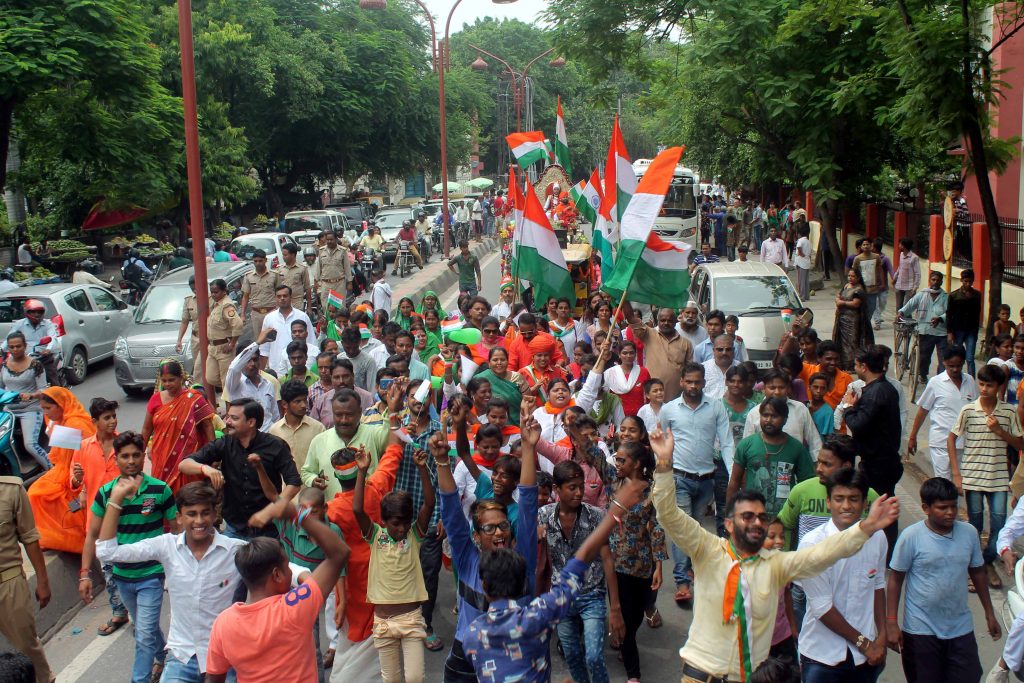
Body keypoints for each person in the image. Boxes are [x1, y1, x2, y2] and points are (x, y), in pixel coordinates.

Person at [649, 424, 900, 682]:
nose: (757, 523)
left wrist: (865, 529)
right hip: (700, 676)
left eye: (761, 517)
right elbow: (669, 515)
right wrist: (665, 465)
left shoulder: (776, 565)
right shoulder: (707, 549)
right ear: (729, 524)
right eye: (747, 517)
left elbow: (822, 554)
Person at [463, 473, 649, 683]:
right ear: (522, 583)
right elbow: (579, 562)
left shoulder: (471, 634)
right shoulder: (537, 617)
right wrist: (616, 510)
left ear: (485, 586)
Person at [435, 410, 539, 682]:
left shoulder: (522, 562)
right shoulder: (468, 560)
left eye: (503, 525)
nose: (498, 533)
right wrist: (441, 462)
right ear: (477, 536)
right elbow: (451, 514)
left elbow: (527, 500)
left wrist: (528, 447)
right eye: (489, 528)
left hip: (514, 656)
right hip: (465, 659)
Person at [205, 493, 352, 683]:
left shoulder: (223, 623)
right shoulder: (294, 607)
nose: (292, 572)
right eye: (287, 566)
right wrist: (298, 515)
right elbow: (340, 553)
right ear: (276, 574)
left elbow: (213, 678)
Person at [886, 477, 1001, 683]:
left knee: (970, 676)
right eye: (942, 507)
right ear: (926, 508)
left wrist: (989, 614)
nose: (950, 512)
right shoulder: (911, 537)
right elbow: (895, 579)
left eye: (953, 506)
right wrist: (892, 623)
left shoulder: (969, 533)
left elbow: (978, 572)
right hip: (920, 629)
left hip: (960, 627)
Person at [89, 432, 176, 683]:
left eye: (136, 455)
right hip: (122, 576)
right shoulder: (106, 494)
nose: (131, 461)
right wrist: (85, 573)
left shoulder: (160, 490)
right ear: (115, 459)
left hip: (152, 574)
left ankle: (140, 679)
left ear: (143, 457)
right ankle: (164, 656)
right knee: (145, 628)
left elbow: (177, 530)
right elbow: (93, 535)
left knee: (144, 632)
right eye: (124, 456)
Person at [353, 438, 433, 683]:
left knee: (415, 678)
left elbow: (429, 503)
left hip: (411, 620)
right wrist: (362, 472)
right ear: (384, 521)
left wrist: (422, 468)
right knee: (391, 679)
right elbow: (357, 510)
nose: (401, 529)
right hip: (384, 622)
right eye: (395, 524)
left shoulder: (414, 535)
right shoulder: (375, 536)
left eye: (405, 522)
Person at [796, 468, 888, 681]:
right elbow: (822, 607)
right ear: (828, 502)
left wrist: (881, 635)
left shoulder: (878, 538)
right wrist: (865, 644)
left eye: (853, 499)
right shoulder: (812, 544)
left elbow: (878, 585)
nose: (846, 506)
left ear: (865, 503)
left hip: (865, 658)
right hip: (823, 657)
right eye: (839, 499)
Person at [538, 459, 622, 683]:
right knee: (572, 655)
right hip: (561, 598)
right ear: (557, 489)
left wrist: (615, 607)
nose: (578, 493)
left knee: (594, 656)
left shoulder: (595, 515)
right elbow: (539, 563)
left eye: (581, 486)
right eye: (572, 487)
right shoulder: (543, 516)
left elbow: (607, 561)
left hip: (592, 595)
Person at [659, 362, 734, 605]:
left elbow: (727, 442)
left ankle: (689, 566)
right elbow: (661, 444)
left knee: (696, 527)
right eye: (688, 381)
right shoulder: (669, 410)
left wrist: (733, 473)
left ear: (703, 382)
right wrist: (662, 476)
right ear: (681, 382)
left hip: (706, 480)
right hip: (679, 477)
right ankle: (682, 581)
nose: (693, 386)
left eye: (697, 381)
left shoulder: (716, 407)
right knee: (683, 528)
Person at [179, 399, 301, 543]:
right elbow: (184, 464)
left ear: (251, 422)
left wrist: (270, 511)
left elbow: (294, 483)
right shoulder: (224, 443)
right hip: (233, 528)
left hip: (268, 529)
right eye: (228, 416)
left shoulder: (276, 446)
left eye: (234, 418)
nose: (227, 421)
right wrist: (205, 468)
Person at [949, 363, 1023, 589]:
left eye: (989, 385)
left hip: (999, 477)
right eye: (981, 384)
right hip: (972, 475)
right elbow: (951, 438)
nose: (984, 389)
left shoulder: (1009, 412)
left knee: (1000, 523)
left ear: (999, 387)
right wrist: (956, 473)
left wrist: (1000, 431)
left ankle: (985, 560)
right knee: (976, 523)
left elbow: (1020, 443)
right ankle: (977, 567)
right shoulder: (969, 410)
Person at [607, 440, 666, 682]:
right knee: (621, 611)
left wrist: (659, 564)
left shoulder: (652, 491)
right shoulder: (614, 482)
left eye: (622, 460)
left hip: (643, 564)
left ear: (637, 464)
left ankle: (623, 639)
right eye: (616, 459)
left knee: (636, 615)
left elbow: (656, 527)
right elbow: (590, 453)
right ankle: (634, 673)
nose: (617, 463)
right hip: (615, 563)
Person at [840, 345, 903, 551]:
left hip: (878, 461)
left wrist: (849, 408)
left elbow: (858, 424)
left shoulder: (876, 392)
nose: (855, 369)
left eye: (857, 365)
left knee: (879, 506)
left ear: (864, 367)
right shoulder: (884, 389)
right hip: (884, 458)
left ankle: (884, 551)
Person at [0, 464, 54, 683]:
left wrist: (43, 581)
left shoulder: (10, 490)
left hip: (8, 582)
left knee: (27, 646)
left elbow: (30, 538)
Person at [26, 387, 97, 553]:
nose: (46, 413)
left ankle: (65, 538)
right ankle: (51, 537)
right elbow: (59, 457)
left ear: (61, 405)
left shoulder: (75, 424)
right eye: (43, 408)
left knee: (37, 495)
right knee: (35, 492)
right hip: (64, 470)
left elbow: (87, 455)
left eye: (48, 408)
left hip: (79, 474)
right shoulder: (61, 421)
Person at [728, 397, 815, 517]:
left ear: (785, 419)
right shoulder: (746, 445)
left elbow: (807, 484)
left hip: (785, 518)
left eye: (774, 416)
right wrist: (730, 515)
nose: (768, 420)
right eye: (765, 415)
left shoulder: (796, 448)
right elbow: (734, 481)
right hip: (751, 516)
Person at [302, 387, 394, 498]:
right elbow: (306, 472)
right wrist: (313, 480)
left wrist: (393, 409)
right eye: (338, 415)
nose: (344, 420)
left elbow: (393, 440)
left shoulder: (374, 434)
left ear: (360, 412)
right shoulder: (319, 441)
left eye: (349, 415)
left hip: (367, 511)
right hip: (333, 512)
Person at [141, 359, 215, 493]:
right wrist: (140, 452)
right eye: (164, 381)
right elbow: (147, 429)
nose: (167, 384)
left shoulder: (194, 398)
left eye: (171, 380)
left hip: (187, 457)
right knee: (161, 493)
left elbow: (207, 427)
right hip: (161, 457)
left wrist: (214, 454)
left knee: (189, 495)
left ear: (181, 378)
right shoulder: (155, 399)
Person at [909, 345, 978, 480]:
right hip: (941, 442)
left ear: (963, 363)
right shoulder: (935, 383)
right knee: (944, 482)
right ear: (944, 363)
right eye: (951, 366)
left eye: (958, 365)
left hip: (964, 443)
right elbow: (923, 410)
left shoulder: (970, 380)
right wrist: (913, 436)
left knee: (961, 483)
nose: (955, 369)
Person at [0, 332, 49, 470]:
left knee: (30, 445)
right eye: (11, 347)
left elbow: (43, 390)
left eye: (18, 346)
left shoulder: (36, 365)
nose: (15, 349)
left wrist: (32, 396)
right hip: (8, 410)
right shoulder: (4, 365)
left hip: (30, 409)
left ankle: (52, 469)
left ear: (25, 346)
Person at [629, 308, 693, 402]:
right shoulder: (649, 335)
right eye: (663, 320)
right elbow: (631, 318)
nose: (666, 323)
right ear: (657, 321)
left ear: (675, 321)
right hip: (651, 399)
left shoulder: (686, 343)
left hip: (676, 400)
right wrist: (626, 300)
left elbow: (689, 372)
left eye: (670, 320)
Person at [899, 270, 950, 382]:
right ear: (929, 280)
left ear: (941, 282)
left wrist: (940, 318)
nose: (935, 282)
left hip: (941, 332)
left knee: (943, 358)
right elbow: (910, 305)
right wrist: (901, 312)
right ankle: (923, 375)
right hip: (924, 330)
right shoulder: (922, 294)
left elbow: (950, 312)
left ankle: (940, 379)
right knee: (924, 357)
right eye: (933, 279)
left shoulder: (945, 296)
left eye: (938, 280)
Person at [3, 299, 61, 386]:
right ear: (26, 312)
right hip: (24, 357)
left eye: (39, 312)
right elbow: (9, 338)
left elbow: (52, 338)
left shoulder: (48, 324)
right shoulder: (19, 324)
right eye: (33, 312)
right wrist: (2, 349)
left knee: (54, 383)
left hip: (43, 358)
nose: (37, 314)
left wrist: (48, 350)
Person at [270, 380, 325, 471]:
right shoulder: (274, 431)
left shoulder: (318, 428)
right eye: (298, 401)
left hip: (312, 484)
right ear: (284, 404)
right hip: (285, 485)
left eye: (305, 400)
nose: (304, 405)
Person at [259, 285, 315, 372]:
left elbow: (311, 342)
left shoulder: (302, 316)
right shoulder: (269, 318)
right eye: (279, 296)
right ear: (275, 298)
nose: (282, 298)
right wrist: (261, 373)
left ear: (290, 297)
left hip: (301, 367)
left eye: (285, 296)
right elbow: (264, 349)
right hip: (276, 368)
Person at [225, 342, 280, 431]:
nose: (252, 364)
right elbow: (233, 369)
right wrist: (257, 342)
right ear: (240, 362)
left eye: (255, 359)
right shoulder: (234, 384)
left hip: (268, 437)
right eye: (248, 360)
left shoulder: (268, 384)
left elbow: (275, 416)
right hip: (246, 438)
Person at [204, 278, 244, 393]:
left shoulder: (227, 306)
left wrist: (232, 344)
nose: (213, 295)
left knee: (226, 382)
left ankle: (230, 406)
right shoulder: (215, 304)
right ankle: (238, 386)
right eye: (212, 292)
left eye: (216, 292)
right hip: (212, 348)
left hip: (224, 347)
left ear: (224, 291)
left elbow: (237, 325)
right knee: (210, 378)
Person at [833, 268, 873, 371]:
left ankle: (851, 365)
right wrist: (838, 301)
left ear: (858, 278)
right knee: (842, 342)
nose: (850, 278)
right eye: (849, 276)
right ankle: (842, 363)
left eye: (853, 276)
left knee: (851, 342)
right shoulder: (846, 286)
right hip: (842, 318)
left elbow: (856, 303)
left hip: (852, 320)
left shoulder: (859, 290)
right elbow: (838, 295)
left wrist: (842, 303)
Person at [947, 269, 983, 375]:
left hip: (971, 330)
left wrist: (976, 331)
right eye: (965, 281)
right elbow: (949, 314)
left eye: (970, 281)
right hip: (958, 329)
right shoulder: (954, 296)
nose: (968, 284)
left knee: (970, 357)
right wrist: (949, 332)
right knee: (958, 356)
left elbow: (977, 313)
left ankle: (971, 380)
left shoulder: (977, 295)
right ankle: (957, 376)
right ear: (961, 280)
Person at [240, 250, 281, 337]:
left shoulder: (274, 275)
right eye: (255, 261)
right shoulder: (248, 276)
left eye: (260, 261)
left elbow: (280, 293)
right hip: (256, 314)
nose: (258, 263)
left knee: (274, 338)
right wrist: (242, 315)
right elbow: (245, 296)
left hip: (272, 311)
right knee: (259, 340)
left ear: (265, 260)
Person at [316, 230, 353, 311]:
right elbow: (319, 267)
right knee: (325, 307)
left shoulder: (342, 251)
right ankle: (328, 323)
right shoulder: (321, 250)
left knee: (339, 308)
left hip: (339, 284)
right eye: (327, 239)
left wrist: (349, 282)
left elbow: (347, 267)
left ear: (336, 239)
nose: (329, 241)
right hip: (325, 284)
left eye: (331, 239)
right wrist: (316, 281)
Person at [893, 237, 921, 311]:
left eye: (900, 244)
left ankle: (906, 321)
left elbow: (917, 273)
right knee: (898, 307)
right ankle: (898, 322)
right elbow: (900, 267)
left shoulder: (914, 258)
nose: (899, 245)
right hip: (899, 285)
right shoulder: (901, 255)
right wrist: (895, 278)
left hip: (909, 287)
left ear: (903, 246)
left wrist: (915, 287)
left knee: (906, 308)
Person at [807, 373, 835, 438]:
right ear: (809, 387)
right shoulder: (804, 406)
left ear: (827, 390)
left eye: (823, 388)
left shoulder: (828, 412)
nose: (818, 391)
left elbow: (827, 437)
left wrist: (810, 415)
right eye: (815, 387)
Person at [794, 225, 811, 300]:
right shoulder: (808, 241)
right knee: (806, 280)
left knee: (801, 280)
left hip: (801, 262)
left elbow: (798, 247)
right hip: (807, 262)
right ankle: (807, 295)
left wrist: (801, 253)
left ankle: (802, 296)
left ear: (799, 233)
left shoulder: (800, 240)